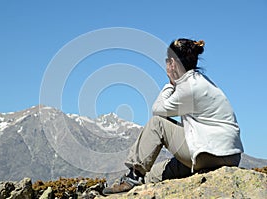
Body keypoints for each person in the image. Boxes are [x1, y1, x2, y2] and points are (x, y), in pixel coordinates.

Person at [102, 38, 244, 195]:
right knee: (154, 174)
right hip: (228, 155)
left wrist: (170, 83)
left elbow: (157, 110)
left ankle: (133, 177)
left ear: (173, 63)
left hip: (208, 154)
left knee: (157, 124)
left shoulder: (188, 87)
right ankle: (136, 182)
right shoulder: (200, 81)